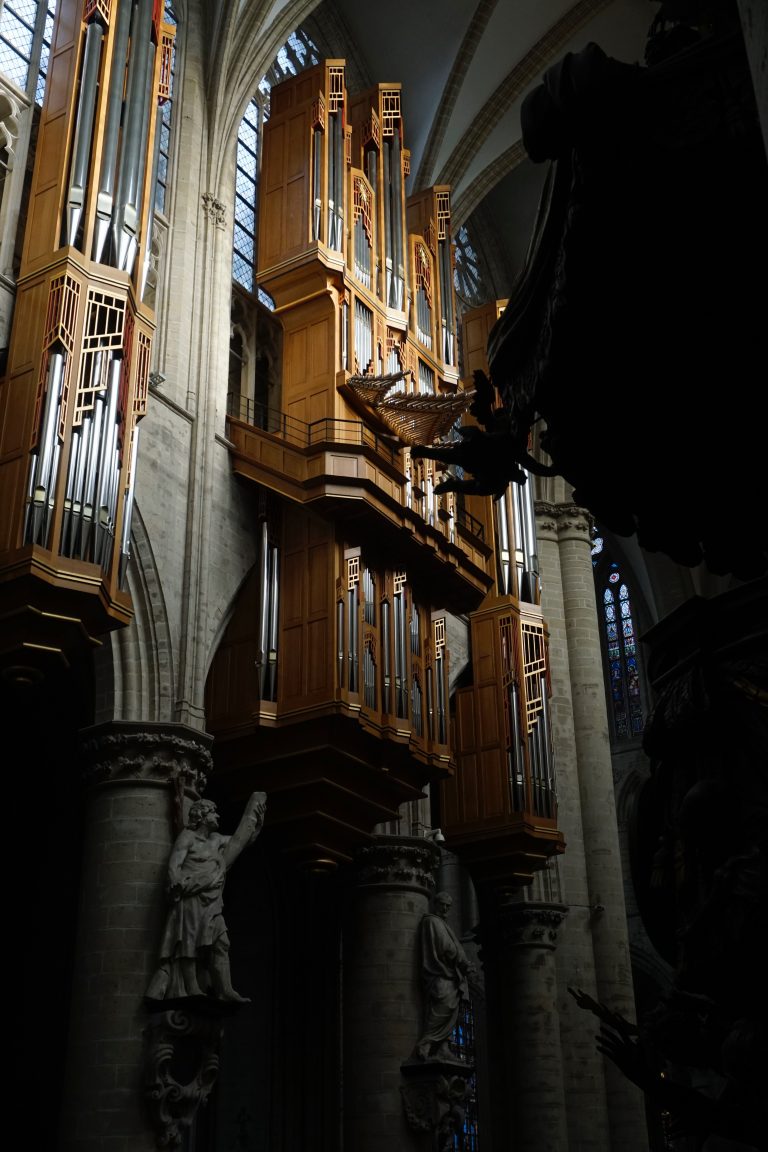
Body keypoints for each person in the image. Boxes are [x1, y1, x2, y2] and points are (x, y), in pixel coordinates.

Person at [146, 791, 266, 1003]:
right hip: (191, 897)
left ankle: (225, 990)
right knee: (188, 942)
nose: (217, 817)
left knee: (222, 942)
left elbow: (241, 842)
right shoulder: (188, 838)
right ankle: (191, 987)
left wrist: (256, 823)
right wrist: (175, 884)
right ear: (202, 815)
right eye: (214, 813)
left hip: (211, 900)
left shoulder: (217, 840)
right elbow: (175, 864)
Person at [411, 891, 474, 1061]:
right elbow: (446, 947)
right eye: (442, 905)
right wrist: (464, 962)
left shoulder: (442, 923)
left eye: (448, 906)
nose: (445, 908)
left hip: (450, 976)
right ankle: (426, 1044)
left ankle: (443, 1048)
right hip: (440, 975)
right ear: (435, 904)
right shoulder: (432, 921)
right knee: (440, 1009)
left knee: (450, 1013)